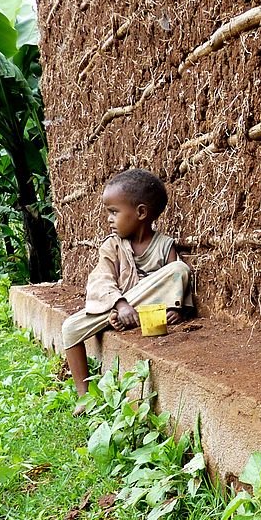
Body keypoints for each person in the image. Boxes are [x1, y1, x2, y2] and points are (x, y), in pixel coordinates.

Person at [62, 169, 192, 404]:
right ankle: (85, 396)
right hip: (121, 305)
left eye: (114, 212)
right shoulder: (112, 246)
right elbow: (101, 279)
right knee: (70, 328)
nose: (109, 219)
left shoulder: (164, 246)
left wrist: (178, 308)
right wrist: (120, 304)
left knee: (178, 269)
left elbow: (176, 279)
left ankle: (131, 317)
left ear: (141, 212)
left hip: (149, 311)